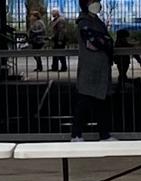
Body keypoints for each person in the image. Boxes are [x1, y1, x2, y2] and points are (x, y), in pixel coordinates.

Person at [71, 0, 115, 141]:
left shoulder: (96, 21)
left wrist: (106, 40)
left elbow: (105, 39)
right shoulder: (84, 22)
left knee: (100, 102)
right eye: (93, 1)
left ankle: (104, 134)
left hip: (100, 66)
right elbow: (95, 40)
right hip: (90, 66)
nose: (97, 3)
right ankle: (76, 134)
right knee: (85, 101)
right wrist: (106, 41)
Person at [49, 7, 68, 71]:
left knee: (60, 53)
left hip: (59, 40)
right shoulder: (56, 19)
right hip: (56, 39)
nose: (52, 14)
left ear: (56, 12)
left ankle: (63, 67)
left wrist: (60, 40)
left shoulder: (60, 20)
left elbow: (61, 31)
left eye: (53, 12)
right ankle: (54, 66)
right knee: (55, 53)